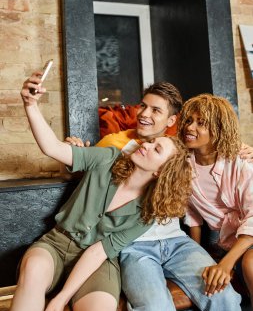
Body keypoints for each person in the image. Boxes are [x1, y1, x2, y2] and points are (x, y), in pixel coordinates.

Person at [11, 73, 192, 311]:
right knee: (32, 272)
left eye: (155, 148)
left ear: (161, 172)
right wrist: (31, 105)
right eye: (143, 106)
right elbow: (52, 147)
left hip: (98, 262)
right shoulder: (109, 155)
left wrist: (61, 298)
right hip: (56, 243)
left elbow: (98, 252)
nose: (146, 144)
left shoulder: (150, 211)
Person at [66, 83, 243, 310]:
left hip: (177, 242)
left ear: (171, 121)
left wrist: (243, 148)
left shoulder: (179, 149)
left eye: (156, 110)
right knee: (155, 306)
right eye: (143, 106)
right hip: (133, 246)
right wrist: (74, 150)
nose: (144, 114)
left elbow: (215, 145)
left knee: (224, 297)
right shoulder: (113, 144)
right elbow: (87, 176)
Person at [178, 93, 253, 308]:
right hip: (225, 242)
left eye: (201, 123)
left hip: (248, 237)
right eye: (189, 121)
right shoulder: (183, 167)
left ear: (219, 129)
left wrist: (225, 263)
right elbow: (191, 214)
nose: (190, 128)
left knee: (250, 263)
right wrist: (195, 251)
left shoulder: (241, 162)